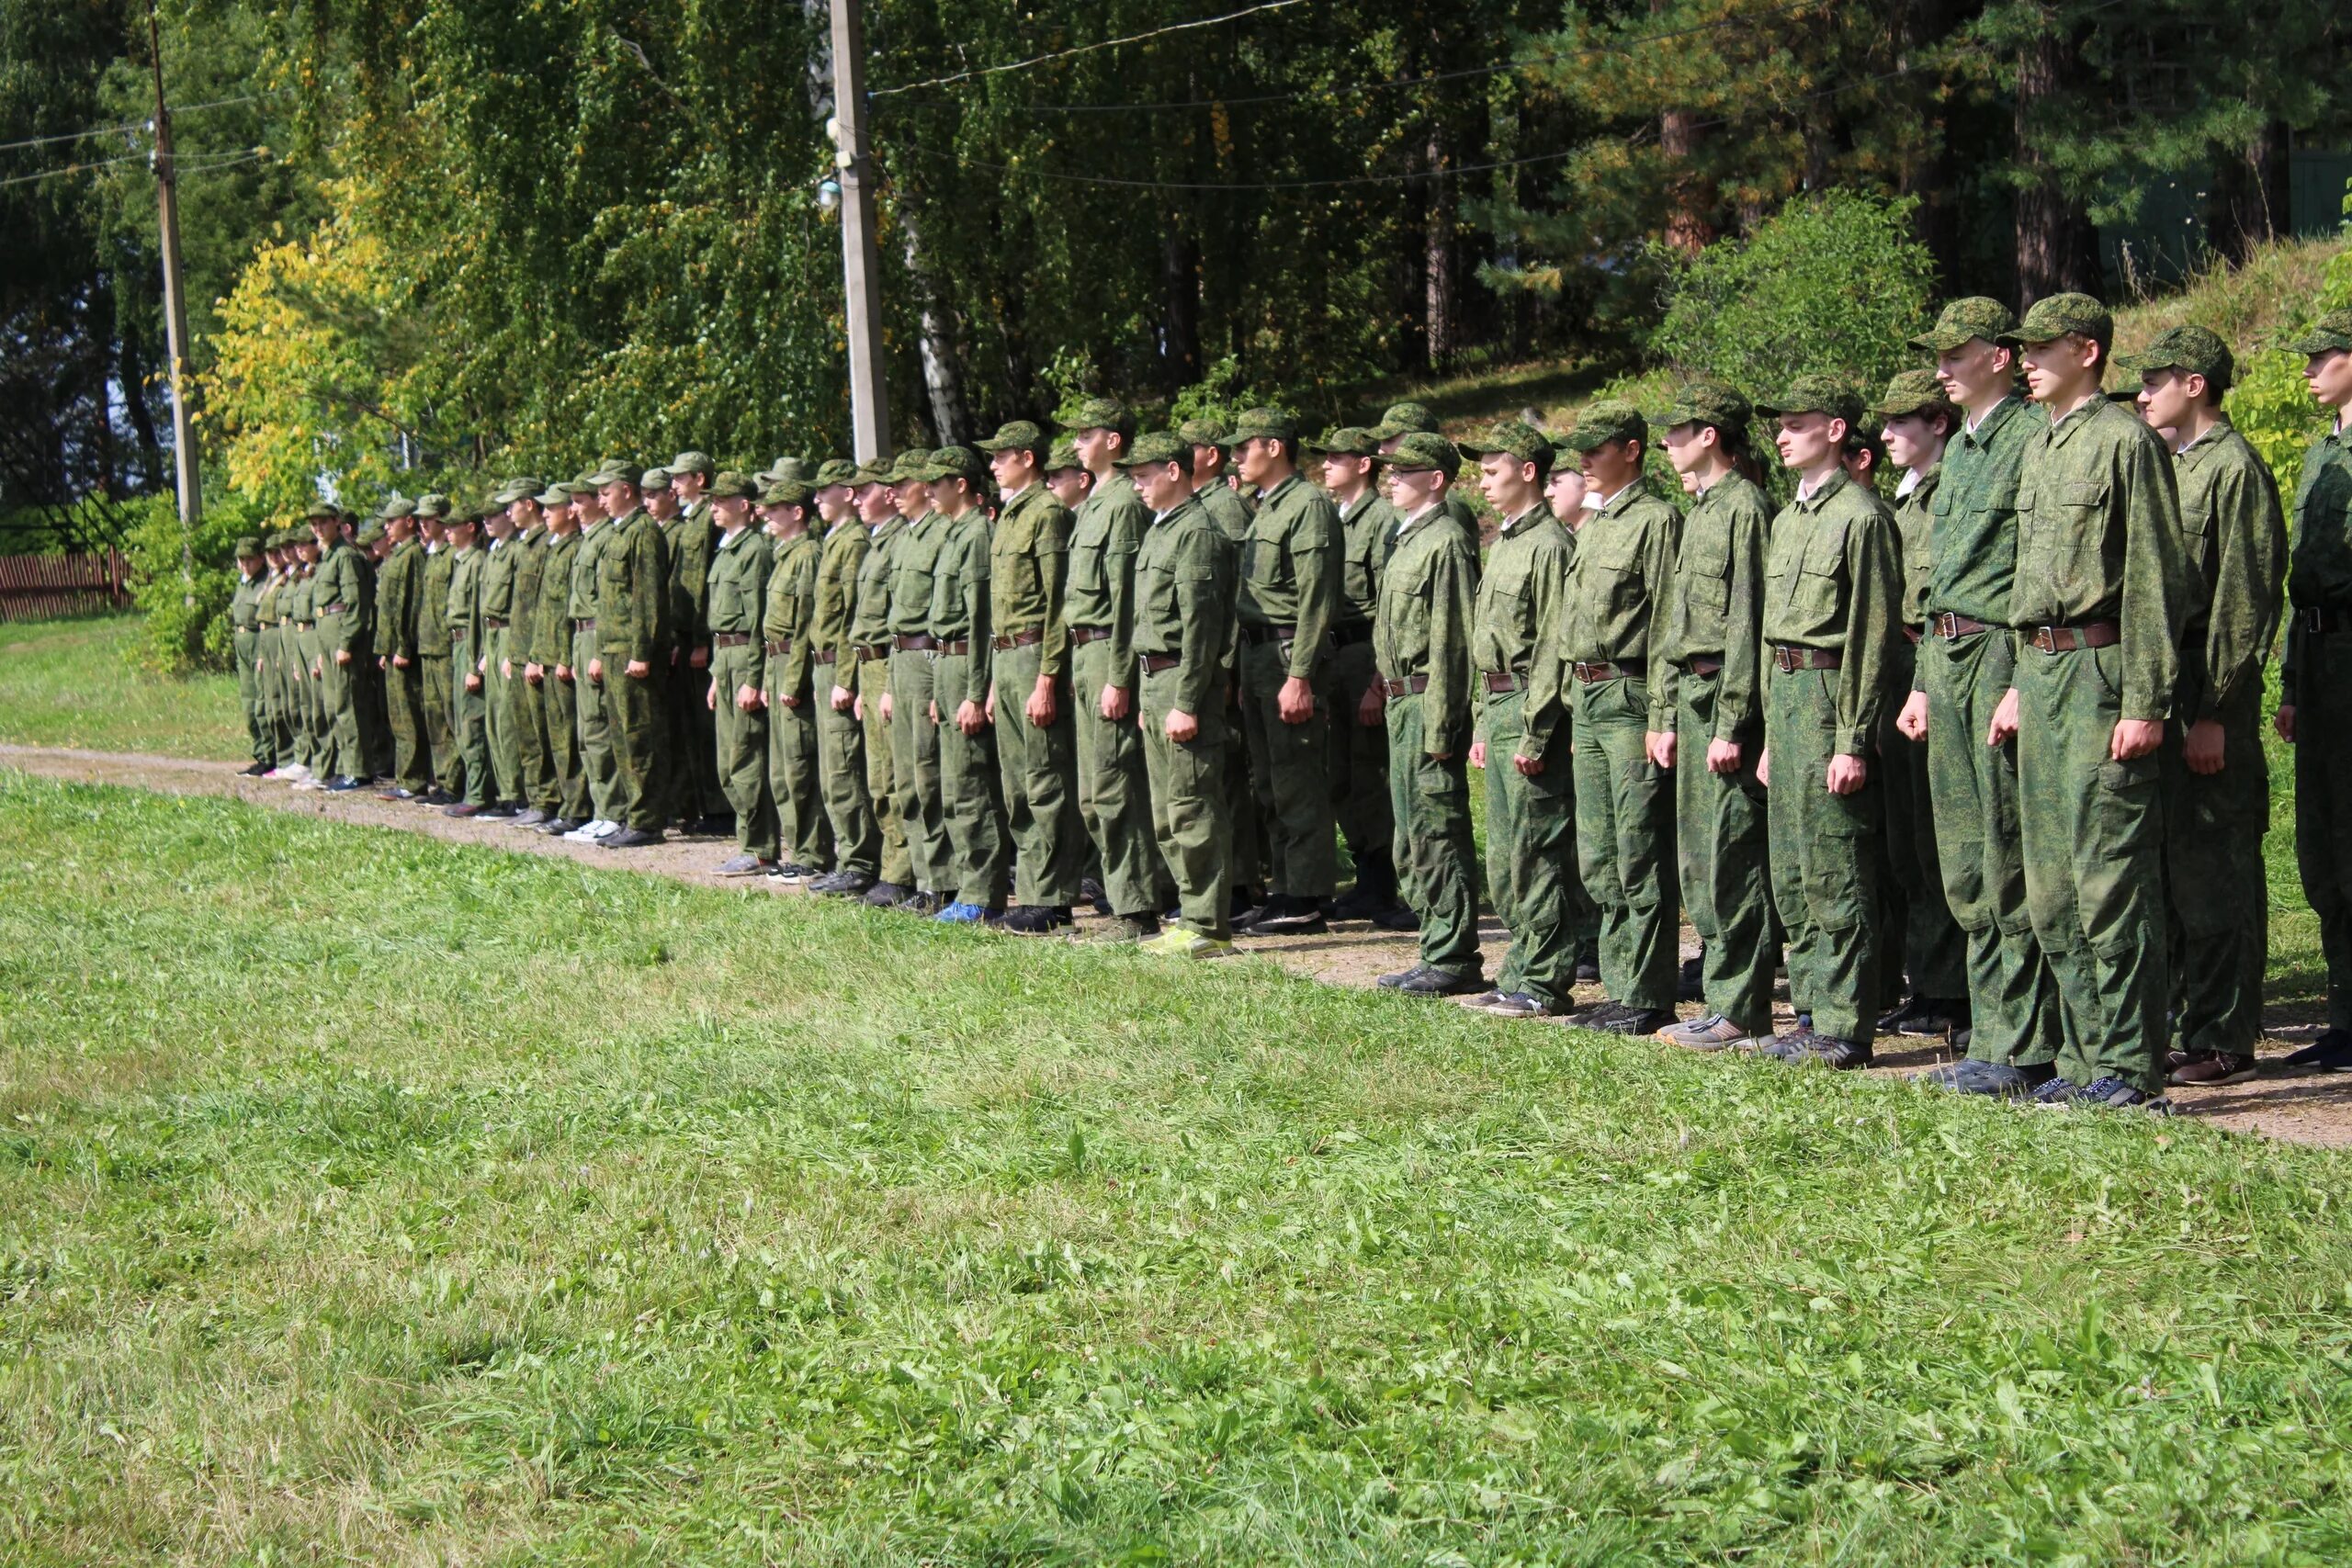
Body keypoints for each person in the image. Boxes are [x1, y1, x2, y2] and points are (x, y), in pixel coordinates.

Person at [2004, 293, 2191, 1110]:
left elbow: (2155, 578)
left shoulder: (2124, 442)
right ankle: (2084, 1061)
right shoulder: (2042, 445)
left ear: (2087, 349)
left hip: (2101, 673)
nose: (2026, 361)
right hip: (2042, 677)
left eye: (2042, 347)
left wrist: (2145, 700)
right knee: (2049, 885)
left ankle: (2130, 1067)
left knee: (2108, 879)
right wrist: (2016, 679)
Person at [1896, 298, 2067, 1098]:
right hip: (1949, 649)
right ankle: (1992, 1030)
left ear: (2000, 356)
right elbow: (1942, 575)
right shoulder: (1961, 452)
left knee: (2006, 852)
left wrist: (2019, 682)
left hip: (2001, 651)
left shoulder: (2032, 438)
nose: (1941, 369)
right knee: (1964, 857)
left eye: (1954, 354)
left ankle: (2025, 1041)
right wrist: (1927, 676)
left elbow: (2035, 569)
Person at [2118, 326, 2288, 1087]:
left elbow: (2244, 600)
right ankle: (2188, 1021)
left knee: (2216, 866)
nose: (2142, 394)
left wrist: (2217, 707)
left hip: (2207, 680)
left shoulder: (2233, 468)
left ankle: (2225, 1034)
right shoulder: (2166, 464)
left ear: (2196, 384)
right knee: (2171, 863)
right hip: (2162, 677)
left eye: (2156, 380)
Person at [1748, 378, 1904, 1068]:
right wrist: (1770, 737)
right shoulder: (1789, 519)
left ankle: (1844, 1025)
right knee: (1794, 868)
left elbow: (1871, 637)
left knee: (1837, 864)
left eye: (1796, 422)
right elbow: (1765, 635)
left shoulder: (1862, 516)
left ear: (1836, 431)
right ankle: (1811, 1009)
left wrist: (1853, 737)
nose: (1781, 435)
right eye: (1778, 424)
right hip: (1786, 699)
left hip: (1826, 693)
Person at [1652, 383, 1777, 1050]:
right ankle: (1721, 1000)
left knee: (1733, 855)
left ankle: (1742, 1008)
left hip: (1728, 701)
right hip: (1694, 696)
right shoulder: (1701, 509)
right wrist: (1669, 710)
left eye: (1678, 429)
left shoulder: (1745, 508)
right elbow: (1681, 623)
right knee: (1701, 857)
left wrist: (1733, 720)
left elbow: (1749, 622)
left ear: (1710, 434)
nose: (1666, 442)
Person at [1557, 400, 1681, 1034]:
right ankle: (1620, 983)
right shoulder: (1595, 524)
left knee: (1639, 849)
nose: (1583, 458)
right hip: (1591, 699)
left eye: (1596, 446)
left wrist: (1663, 713)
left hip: (1632, 696)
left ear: (1632, 449)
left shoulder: (1656, 521)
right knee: (1600, 854)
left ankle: (1649, 991)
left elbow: (1665, 627)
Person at [1868, 371, 1973, 1039]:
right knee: (1908, 842)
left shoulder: (1953, 491)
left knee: (1946, 835)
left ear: (1938, 422)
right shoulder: (1901, 501)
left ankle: (1958, 989)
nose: (1886, 435)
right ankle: (1930, 981)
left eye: (1901, 420)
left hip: (1940, 659)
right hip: (1901, 663)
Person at [1364, 431, 1483, 995]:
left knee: (1437, 827)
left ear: (1435, 481)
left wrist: (1443, 723)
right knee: (1411, 831)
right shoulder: (1409, 540)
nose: (1392, 478)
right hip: (1400, 700)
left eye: (1405, 472)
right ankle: (1435, 944)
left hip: (1425, 699)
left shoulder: (1447, 542)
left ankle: (1454, 956)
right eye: (1391, 470)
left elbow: (1454, 642)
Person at [1121, 432, 1239, 958]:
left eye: (1144, 475)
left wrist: (1188, 701)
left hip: (1180, 680)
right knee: (1167, 811)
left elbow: (1203, 628)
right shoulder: (1160, 530)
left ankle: (1208, 925)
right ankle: (1190, 913)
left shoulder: (1197, 533)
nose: (1137, 485)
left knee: (1192, 804)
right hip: (1154, 680)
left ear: (1174, 471)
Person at [1231, 407, 1342, 935]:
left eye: (1243, 446)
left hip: (1285, 656)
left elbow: (1316, 599)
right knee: (1270, 780)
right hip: (1257, 655)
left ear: (1273, 446)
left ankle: (1306, 894)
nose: (1236, 457)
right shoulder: (1265, 508)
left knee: (1297, 778)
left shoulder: (1308, 505)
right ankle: (1284, 886)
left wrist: (1300, 674)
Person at [2278, 307, 2352, 1073]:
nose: (2308, 369)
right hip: (2324, 657)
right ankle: (2344, 1012)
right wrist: (2294, 682)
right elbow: (2306, 589)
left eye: (2324, 355)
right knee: (2325, 847)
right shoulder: (2319, 455)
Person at [978, 420, 1088, 933]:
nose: (994, 464)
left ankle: (1055, 897)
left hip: (1032, 656)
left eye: (1001, 455)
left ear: (1026, 457)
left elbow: (1056, 604)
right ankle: (1033, 889)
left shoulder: (1046, 513)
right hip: (1007, 657)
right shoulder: (1010, 516)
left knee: (1044, 778)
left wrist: (1048, 677)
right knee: (1016, 783)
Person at [1067, 400, 1164, 942]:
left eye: (1085, 434)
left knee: (1114, 786)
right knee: (1093, 791)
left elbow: (1129, 598)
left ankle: (1136, 909)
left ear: (1113, 440)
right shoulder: (1095, 502)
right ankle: (1121, 899)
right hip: (1085, 651)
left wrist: (1121, 675)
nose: (1077, 444)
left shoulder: (1125, 502)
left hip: (1109, 650)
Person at [1315, 427, 1404, 925]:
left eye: (1336, 458)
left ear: (1363, 464)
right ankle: (1366, 876)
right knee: (1342, 773)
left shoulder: (1381, 520)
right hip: (1335, 654)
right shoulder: (1336, 518)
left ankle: (1380, 881)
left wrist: (1377, 678)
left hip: (1363, 651)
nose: (1326, 465)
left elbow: (1387, 606)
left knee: (1369, 771)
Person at [922, 446, 1012, 921]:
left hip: (966, 664)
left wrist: (977, 692)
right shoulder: (954, 533)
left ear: (961, 485)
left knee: (972, 785)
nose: (927, 490)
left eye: (937, 482)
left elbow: (981, 622)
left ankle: (982, 893)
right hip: (947, 665)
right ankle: (967, 887)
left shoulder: (977, 533)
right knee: (955, 786)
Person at [1181, 417, 1264, 915]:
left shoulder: (1224, 507)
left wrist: (1229, 665)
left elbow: (1234, 593)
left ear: (1208, 455)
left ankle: (1241, 883)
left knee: (1228, 775)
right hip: (1216, 661)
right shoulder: (1193, 509)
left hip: (1224, 660)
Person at [877, 449, 952, 911]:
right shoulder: (904, 539)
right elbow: (894, 621)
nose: (891, 492)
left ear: (925, 485)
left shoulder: (944, 534)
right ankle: (925, 880)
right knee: (905, 778)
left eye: (900, 483)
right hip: (902, 660)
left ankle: (944, 881)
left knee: (930, 776)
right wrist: (888, 681)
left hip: (929, 662)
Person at [806, 459, 882, 897]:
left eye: (825, 490)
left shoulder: (852, 542)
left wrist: (846, 677)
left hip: (839, 664)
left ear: (848, 495)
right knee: (833, 767)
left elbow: (855, 616)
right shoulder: (836, 541)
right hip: (826, 664)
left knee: (845, 767)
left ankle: (859, 861)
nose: (816, 499)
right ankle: (849, 857)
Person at [590, 460, 674, 848]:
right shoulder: (616, 533)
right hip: (613, 649)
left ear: (625, 489)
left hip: (631, 652)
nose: (600, 499)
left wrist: (642, 652)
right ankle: (632, 813)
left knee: (640, 735)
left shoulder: (643, 532)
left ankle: (647, 819)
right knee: (622, 737)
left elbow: (647, 597)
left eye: (605, 492)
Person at [847, 460, 917, 904]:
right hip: (868, 668)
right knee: (878, 778)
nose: (859, 499)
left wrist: (889, 682)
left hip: (887, 665)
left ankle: (902, 871)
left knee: (896, 775)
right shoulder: (877, 544)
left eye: (864, 490)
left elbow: (898, 622)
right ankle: (894, 868)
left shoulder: (898, 542)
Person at [701, 470, 776, 874]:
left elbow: (757, 621)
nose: (713, 505)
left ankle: (760, 846)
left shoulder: (754, 551)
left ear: (743, 506)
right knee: (727, 762)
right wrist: (717, 674)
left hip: (744, 659)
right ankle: (749, 840)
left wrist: (753, 678)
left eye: (721, 499)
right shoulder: (727, 549)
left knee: (745, 758)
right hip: (725, 659)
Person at [761, 475, 830, 880]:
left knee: (801, 765)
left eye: (775, 509)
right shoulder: (786, 553)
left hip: (793, 664)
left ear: (797, 513)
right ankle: (800, 850)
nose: (766, 515)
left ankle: (814, 854)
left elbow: (806, 623)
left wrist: (794, 680)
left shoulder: (807, 555)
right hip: (777, 662)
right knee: (782, 769)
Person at [665, 453, 730, 834]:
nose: (674, 484)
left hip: (703, 638)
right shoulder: (692, 518)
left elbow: (710, 584)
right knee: (691, 726)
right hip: (687, 636)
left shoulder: (709, 519)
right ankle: (705, 806)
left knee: (708, 728)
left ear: (700, 478)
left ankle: (720, 811)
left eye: (681, 477)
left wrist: (704, 640)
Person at [528, 484, 588, 834]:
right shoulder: (555, 549)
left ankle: (578, 808)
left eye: (552, 508)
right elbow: (542, 610)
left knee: (570, 735)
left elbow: (571, 609)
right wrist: (538, 656)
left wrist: (565, 657)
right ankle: (567, 805)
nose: (546, 514)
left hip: (563, 656)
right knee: (555, 736)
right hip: (548, 654)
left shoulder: (575, 548)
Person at [499, 479, 557, 826]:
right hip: (520, 649)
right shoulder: (527, 545)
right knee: (525, 730)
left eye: (513, 505)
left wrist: (536, 653)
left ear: (529, 504)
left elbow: (544, 608)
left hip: (537, 650)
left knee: (542, 731)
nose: (508, 513)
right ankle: (537, 798)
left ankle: (548, 799)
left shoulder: (545, 546)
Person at [306, 502, 375, 791]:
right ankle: (347, 767)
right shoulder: (328, 558)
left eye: (323, 522)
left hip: (340, 633)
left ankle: (358, 770)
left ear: (337, 522)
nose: (318, 528)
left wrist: (346, 643)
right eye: (314, 524)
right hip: (327, 633)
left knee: (348, 704)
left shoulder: (345, 556)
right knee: (335, 704)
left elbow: (356, 603)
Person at [372, 500, 434, 801]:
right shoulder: (396, 556)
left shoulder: (413, 555)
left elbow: (412, 605)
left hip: (404, 649)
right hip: (393, 648)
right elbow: (387, 608)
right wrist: (386, 648)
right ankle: (406, 776)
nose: (386, 527)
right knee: (398, 716)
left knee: (409, 716)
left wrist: (404, 646)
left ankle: (415, 779)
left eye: (391, 520)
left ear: (408, 521)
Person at [440, 509, 495, 816]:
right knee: (461, 721)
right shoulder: (460, 561)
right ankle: (473, 789)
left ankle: (479, 793)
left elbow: (479, 616)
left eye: (453, 527)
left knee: (473, 721)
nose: (447, 532)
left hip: (470, 644)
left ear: (470, 529)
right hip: (457, 643)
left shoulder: (477, 562)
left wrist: (476, 662)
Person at [473, 499, 523, 816]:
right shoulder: (494, 552)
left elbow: (521, 603)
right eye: (485, 517)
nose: (488, 521)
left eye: (494, 515)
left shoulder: (517, 551)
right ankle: (505, 792)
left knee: (507, 719)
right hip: (491, 637)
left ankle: (516, 794)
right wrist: (481, 653)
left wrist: (515, 649)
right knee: (492, 717)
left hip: (508, 634)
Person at [413, 496, 460, 806]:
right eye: (421, 519)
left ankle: (458, 782)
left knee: (451, 716)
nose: (423, 524)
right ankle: (443, 781)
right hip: (428, 647)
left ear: (444, 521)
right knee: (434, 718)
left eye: (429, 519)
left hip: (446, 647)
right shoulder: (430, 556)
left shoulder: (453, 555)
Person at [230, 536, 270, 775]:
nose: (245, 564)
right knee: (248, 701)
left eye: (249, 559)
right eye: (241, 559)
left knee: (262, 701)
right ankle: (259, 752)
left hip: (257, 640)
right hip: (242, 642)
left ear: (260, 559)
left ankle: (269, 754)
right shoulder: (243, 583)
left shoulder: (266, 582)